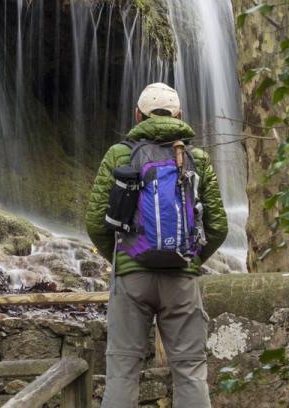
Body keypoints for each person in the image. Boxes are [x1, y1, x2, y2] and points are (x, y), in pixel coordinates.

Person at [85, 82, 229, 407]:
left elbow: (96, 223)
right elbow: (218, 226)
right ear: (179, 115)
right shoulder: (197, 158)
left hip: (132, 279)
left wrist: (124, 259)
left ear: (137, 116)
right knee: (190, 370)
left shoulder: (119, 155)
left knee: (123, 370)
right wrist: (190, 258)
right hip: (181, 278)